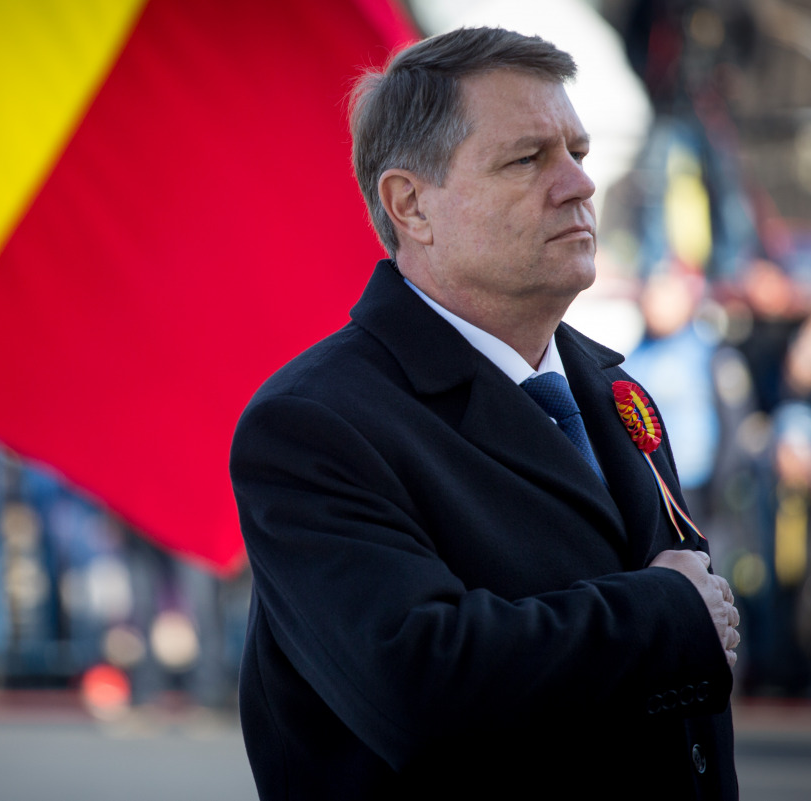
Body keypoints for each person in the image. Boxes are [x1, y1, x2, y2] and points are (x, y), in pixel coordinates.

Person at [230, 28, 740, 799]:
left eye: (577, 151)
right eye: (527, 159)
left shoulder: (611, 390)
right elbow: (417, 685)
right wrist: (664, 616)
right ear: (412, 205)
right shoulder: (313, 425)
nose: (578, 184)